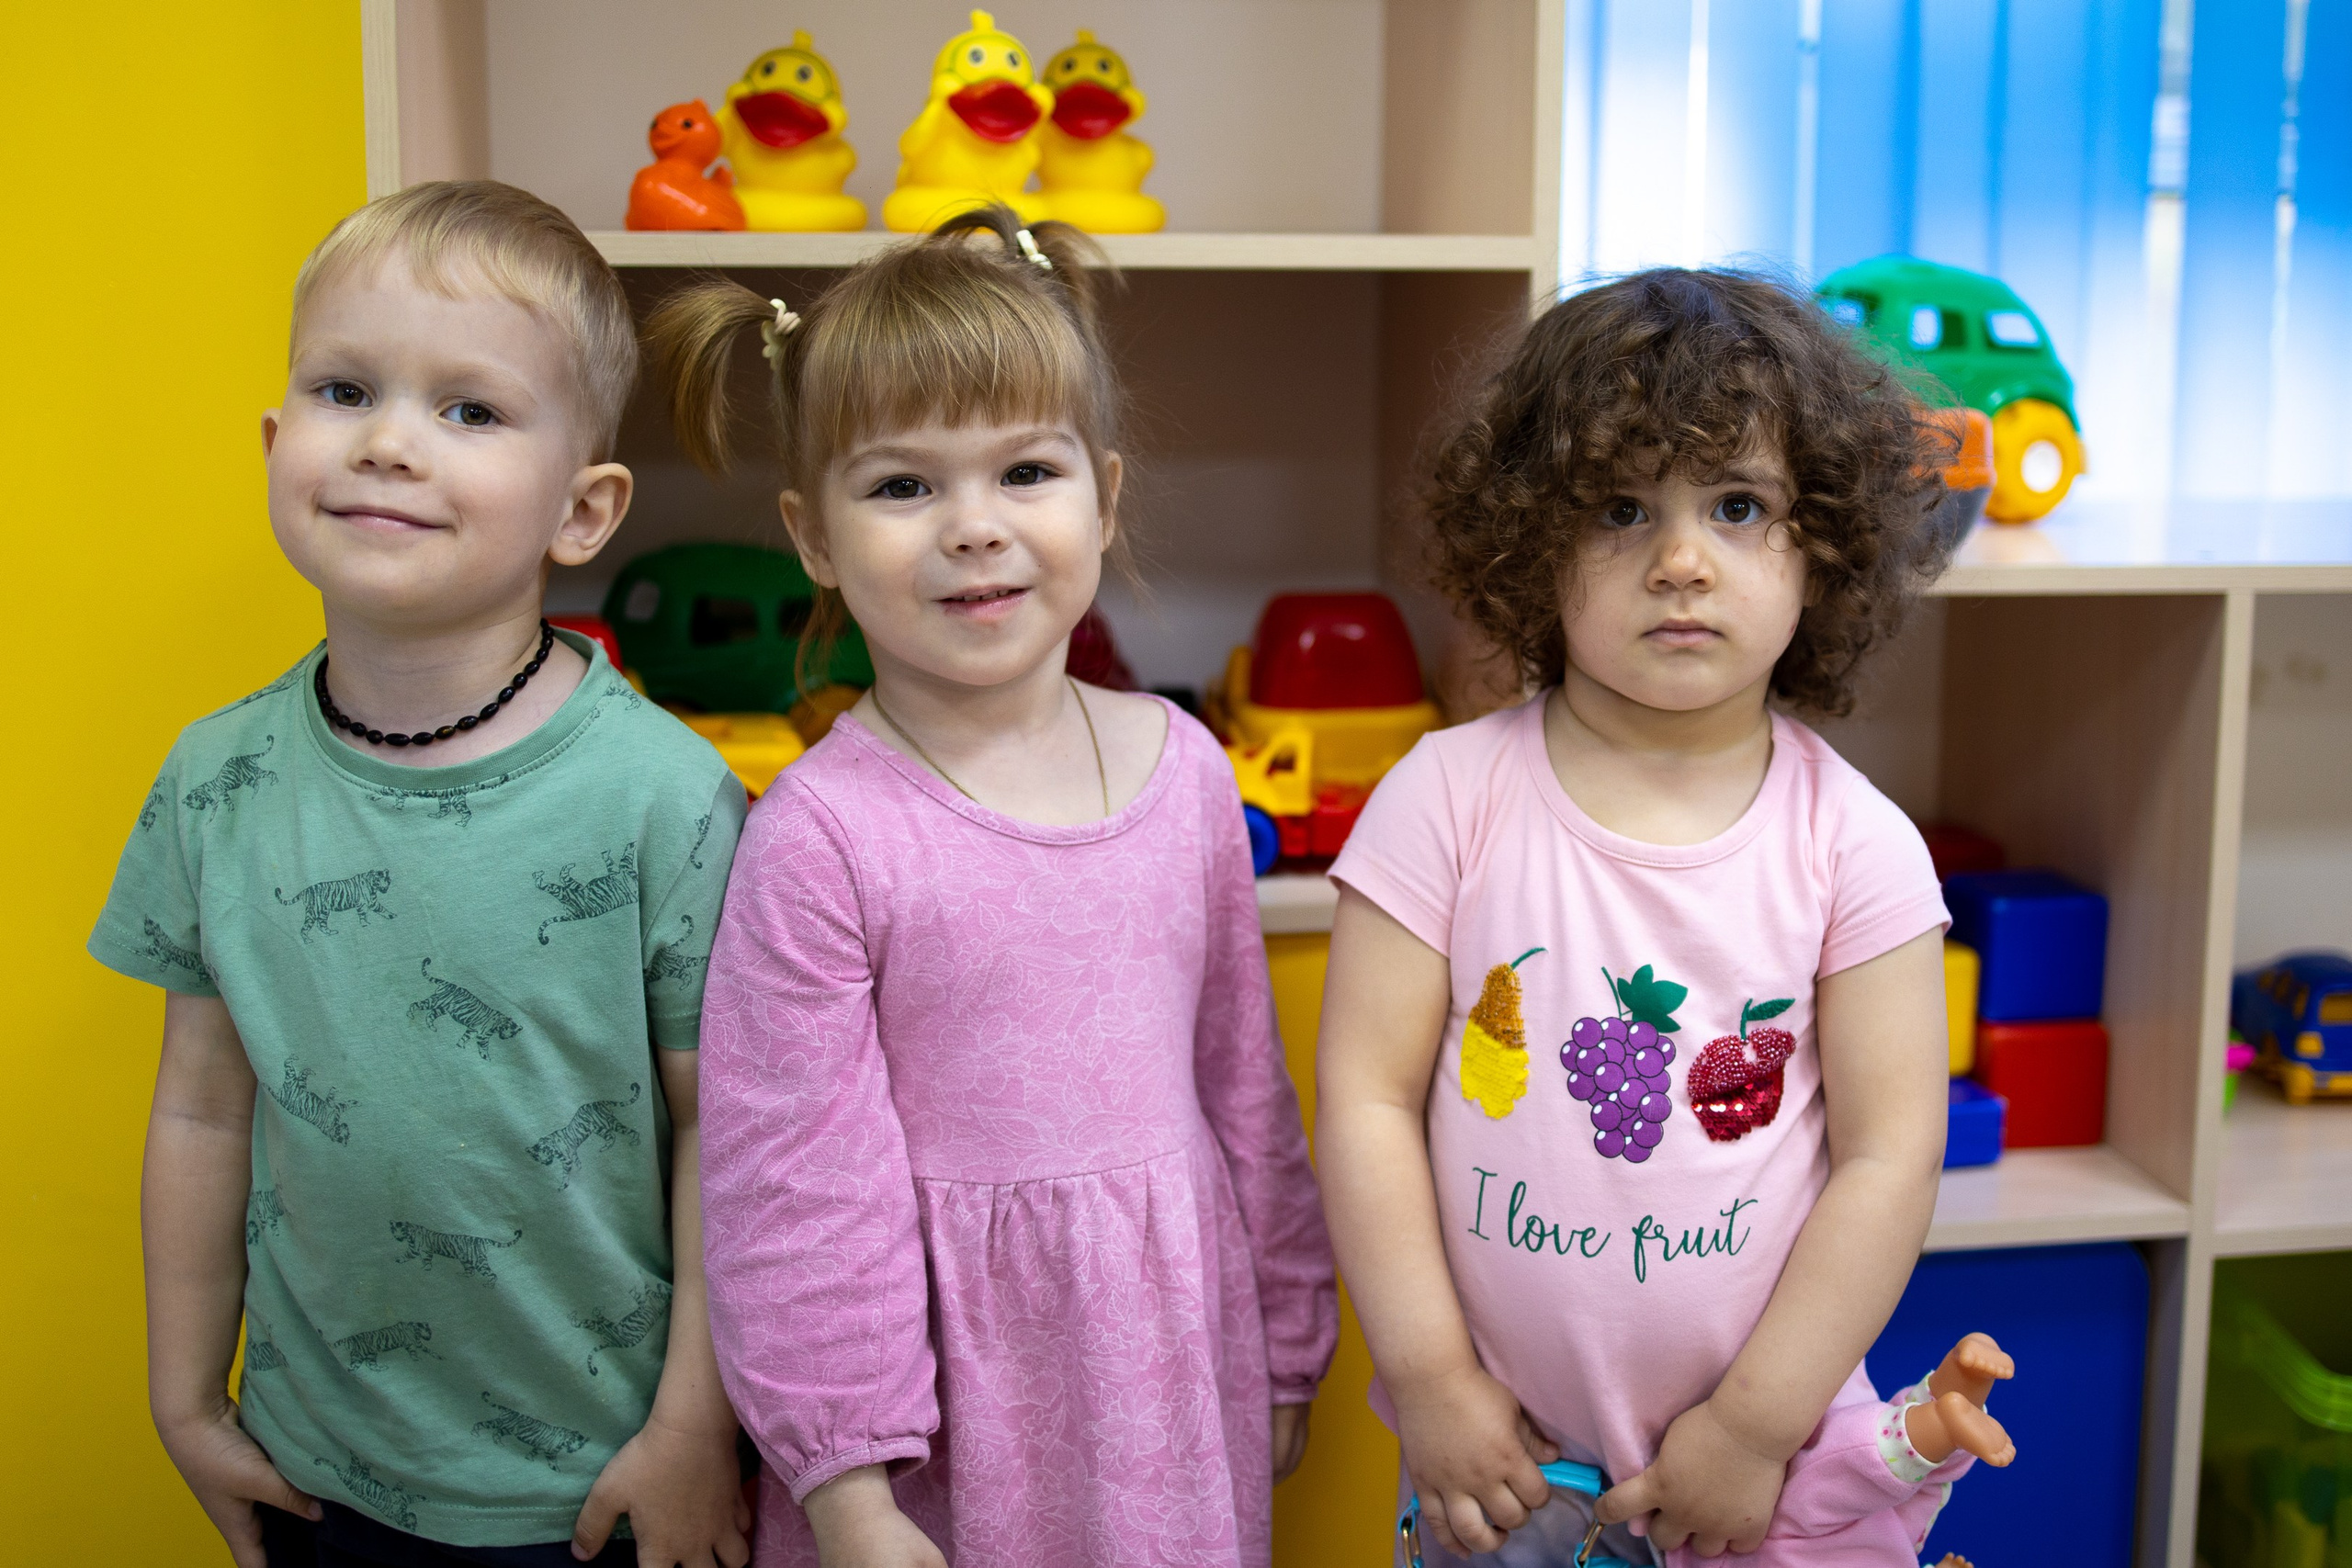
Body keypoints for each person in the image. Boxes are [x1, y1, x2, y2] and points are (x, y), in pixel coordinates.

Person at [658, 207, 1340, 1568]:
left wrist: (1285, 1337)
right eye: (902, 487)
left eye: (1026, 471)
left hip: (1169, 1369)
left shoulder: (1187, 773)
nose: (975, 528)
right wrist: (847, 1486)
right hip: (936, 1424)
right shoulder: (820, 836)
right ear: (811, 535)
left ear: (1106, 494)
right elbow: (791, 1188)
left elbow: (1243, 1085)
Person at [91, 181, 752, 1568]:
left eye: (470, 410)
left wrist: (695, 1427)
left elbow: (729, 1139)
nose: (389, 442)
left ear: (584, 510)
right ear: (277, 444)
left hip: (604, 1492)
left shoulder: (666, 796)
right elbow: (202, 1111)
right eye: (345, 391)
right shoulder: (214, 781)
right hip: (316, 1474)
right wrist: (182, 1402)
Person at [1315, 267, 1964, 1563]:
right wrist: (1431, 1380)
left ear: (1823, 545)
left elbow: (1891, 1157)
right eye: (1622, 509)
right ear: (1532, 541)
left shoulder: (1858, 846)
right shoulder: (1442, 799)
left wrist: (1757, 1427)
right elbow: (1365, 1100)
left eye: (1739, 506)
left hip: (1764, 1476)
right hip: (1500, 1467)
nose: (1680, 561)